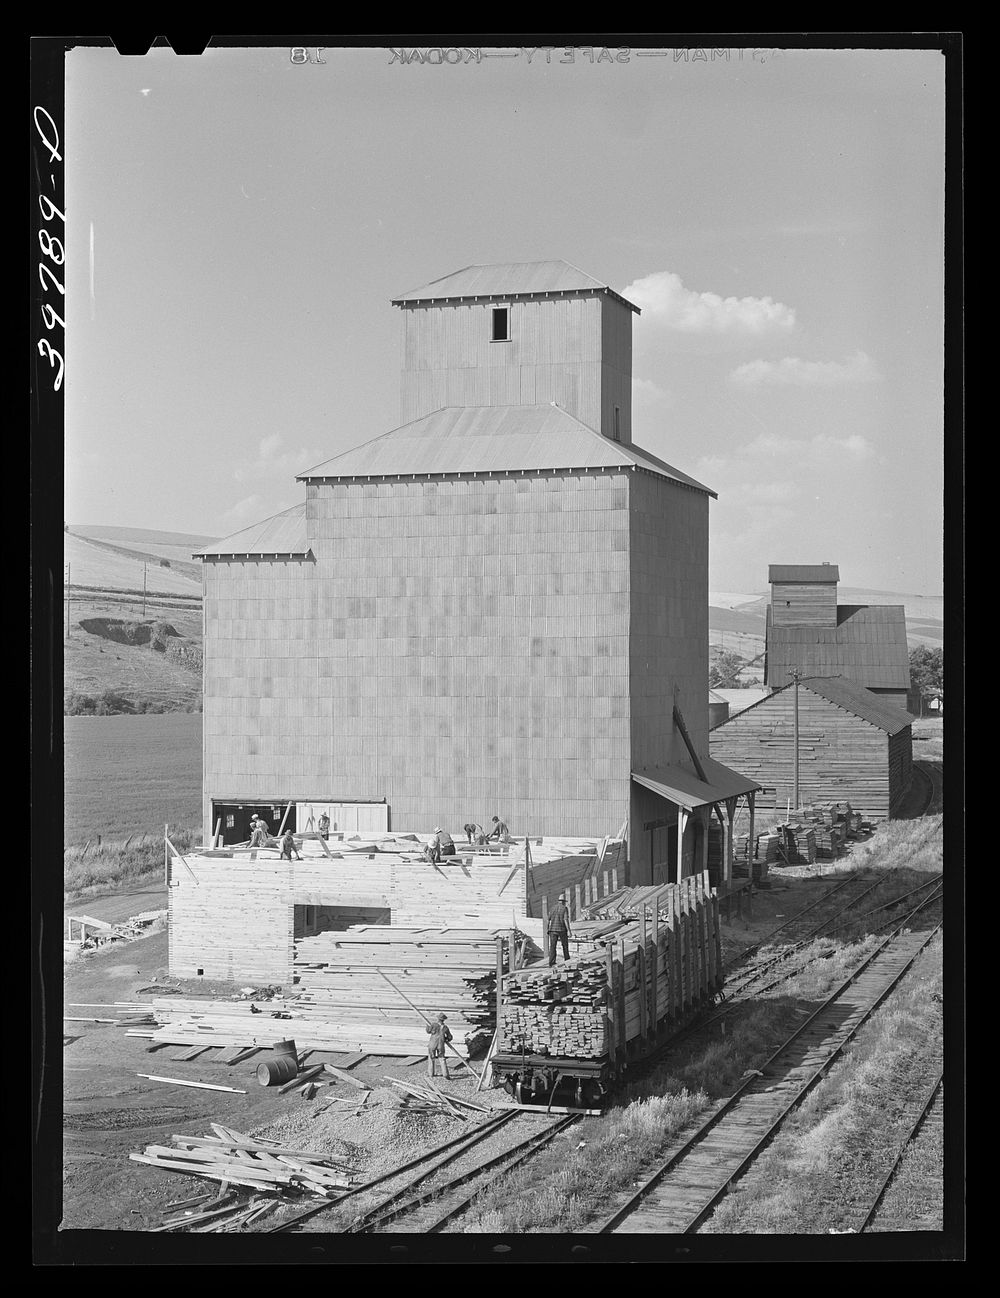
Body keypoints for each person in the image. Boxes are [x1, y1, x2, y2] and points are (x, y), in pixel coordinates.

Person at [547, 894, 572, 966]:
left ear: (558, 901)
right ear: (564, 902)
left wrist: (548, 929)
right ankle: (567, 961)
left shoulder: (552, 908)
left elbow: (548, 920)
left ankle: (551, 963)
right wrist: (569, 931)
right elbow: (565, 920)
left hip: (552, 930)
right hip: (562, 929)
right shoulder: (565, 908)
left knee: (552, 947)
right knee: (565, 945)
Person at [426, 1013, 452, 1079]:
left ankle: (431, 1074)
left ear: (438, 1019)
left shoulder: (433, 1025)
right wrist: (445, 1039)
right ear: (443, 1020)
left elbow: (428, 1031)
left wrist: (427, 1026)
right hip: (441, 1045)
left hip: (432, 1044)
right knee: (442, 1059)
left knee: (431, 1058)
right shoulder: (445, 1028)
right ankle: (445, 1074)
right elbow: (450, 1037)